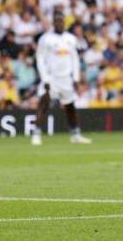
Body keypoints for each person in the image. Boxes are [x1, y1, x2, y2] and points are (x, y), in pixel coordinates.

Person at [31, 10, 91, 146]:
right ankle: (36, 134)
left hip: (66, 79)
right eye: (57, 21)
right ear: (53, 22)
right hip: (51, 78)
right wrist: (45, 79)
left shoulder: (70, 38)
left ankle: (75, 134)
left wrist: (75, 78)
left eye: (62, 21)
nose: (60, 23)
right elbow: (40, 59)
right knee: (44, 104)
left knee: (70, 107)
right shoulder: (45, 38)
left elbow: (74, 59)